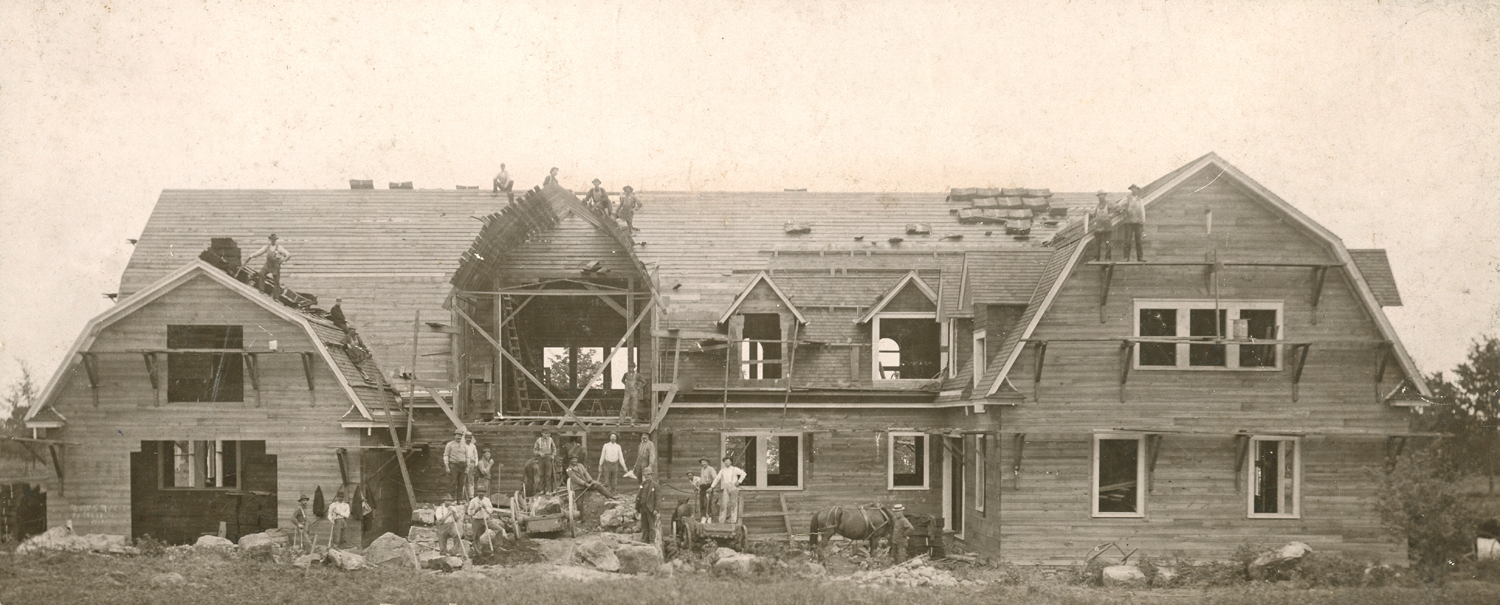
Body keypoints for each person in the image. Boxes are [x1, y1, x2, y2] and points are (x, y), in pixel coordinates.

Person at [710, 455, 746, 524]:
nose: (727, 463)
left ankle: (733, 521)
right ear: (724, 462)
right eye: (725, 461)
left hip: (733, 487)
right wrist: (712, 486)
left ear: (731, 462)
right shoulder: (722, 470)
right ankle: (721, 521)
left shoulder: (734, 469)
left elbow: (743, 474)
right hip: (725, 488)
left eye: (728, 461)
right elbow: (717, 478)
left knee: (733, 504)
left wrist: (739, 481)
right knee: (724, 504)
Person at [1118, 184, 1146, 262]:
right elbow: (1119, 206)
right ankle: (1126, 257)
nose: (1134, 190)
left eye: (1136, 189)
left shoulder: (1140, 200)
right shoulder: (1126, 199)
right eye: (1133, 189)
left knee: (1139, 241)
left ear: (1137, 190)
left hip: (1138, 223)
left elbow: (1143, 211)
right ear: (1131, 190)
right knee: (1127, 240)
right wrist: (1123, 211)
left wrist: (1143, 222)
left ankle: (1140, 257)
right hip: (1129, 222)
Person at [467, 486, 494, 554]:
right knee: (476, 536)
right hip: (477, 521)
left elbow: (491, 511)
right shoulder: (473, 501)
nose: (481, 493)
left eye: (483, 492)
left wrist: (485, 507)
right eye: (479, 492)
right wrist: (476, 509)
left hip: (486, 520)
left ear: (485, 493)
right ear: (477, 493)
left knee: (499, 529)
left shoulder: (487, 500)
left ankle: (498, 546)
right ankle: (478, 552)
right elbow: (469, 512)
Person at [443, 429, 468, 500]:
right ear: (454, 436)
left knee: (461, 483)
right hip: (454, 465)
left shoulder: (464, 445)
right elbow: (446, 455)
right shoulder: (450, 445)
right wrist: (447, 466)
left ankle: (459, 500)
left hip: (463, 466)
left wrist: (467, 467)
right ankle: (452, 500)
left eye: (460, 436)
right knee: (453, 483)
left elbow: (467, 457)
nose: (458, 437)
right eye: (457, 435)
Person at [1091, 191, 1115, 262]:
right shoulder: (1098, 206)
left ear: (1104, 196)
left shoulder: (1109, 204)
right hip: (1098, 227)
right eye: (1099, 196)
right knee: (1097, 244)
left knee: (1108, 243)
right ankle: (1096, 258)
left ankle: (1108, 258)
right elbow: (1094, 216)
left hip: (1107, 228)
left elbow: (1116, 208)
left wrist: (1111, 215)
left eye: (1102, 195)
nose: (1100, 197)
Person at [692, 458, 717, 524]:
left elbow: (715, 478)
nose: (703, 464)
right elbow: (702, 480)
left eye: (704, 462)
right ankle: (703, 517)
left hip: (708, 486)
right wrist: (698, 487)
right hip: (702, 487)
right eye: (702, 462)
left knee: (708, 502)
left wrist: (711, 487)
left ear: (707, 462)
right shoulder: (702, 469)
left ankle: (709, 518)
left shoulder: (711, 469)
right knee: (702, 502)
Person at [637, 469, 658, 543]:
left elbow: (658, 498)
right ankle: (644, 540)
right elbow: (639, 496)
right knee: (644, 525)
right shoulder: (642, 484)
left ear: (651, 475)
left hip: (650, 508)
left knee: (651, 525)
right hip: (643, 507)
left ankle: (651, 540)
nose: (647, 476)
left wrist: (656, 509)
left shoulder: (655, 485)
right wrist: (637, 508)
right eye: (645, 475)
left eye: (648, 475)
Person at [463, 432, 480, 500]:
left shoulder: (473, 446)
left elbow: (476, 456)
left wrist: (476, 465)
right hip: (464, 464)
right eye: (467, 438)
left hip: (472, 464)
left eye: (470, 438)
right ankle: (463, 497)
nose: (468, 439)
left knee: (471, 481)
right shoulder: (462, 445)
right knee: (463, 481)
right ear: (465, 438)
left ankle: (471, 496)